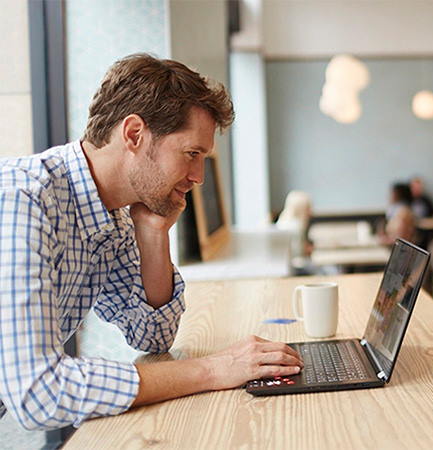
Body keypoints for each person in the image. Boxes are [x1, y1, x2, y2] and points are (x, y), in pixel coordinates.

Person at [0, 54, 303, 431]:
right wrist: (213, 369)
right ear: (134, 134)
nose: (199, 177)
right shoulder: (22, 200)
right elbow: (39, 394)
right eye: (192, 154)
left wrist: (153, 232)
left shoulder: (114, 213)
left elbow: (152, 335)